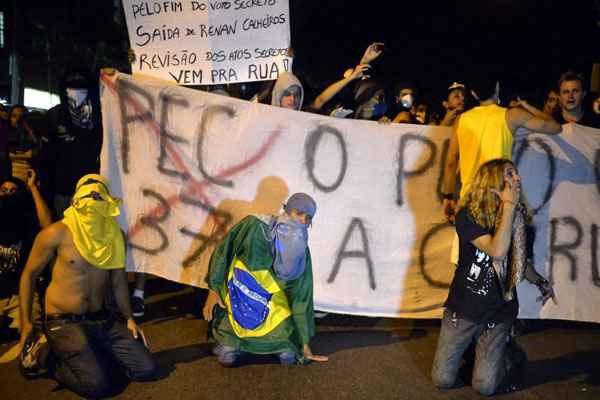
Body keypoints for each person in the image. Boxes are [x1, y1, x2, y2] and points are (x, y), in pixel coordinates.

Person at [18, 174, 157, 398]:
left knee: (146, 369)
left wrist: (129, 318)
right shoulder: (56, 233)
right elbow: (29, 275)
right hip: (63, 321)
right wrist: (26, 323)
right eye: (88, 194)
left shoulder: (115, 236)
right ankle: (46, 356)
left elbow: (119, 281)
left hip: (100, 318)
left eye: (98, 195)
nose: (93, 199)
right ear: (76, 199)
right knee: (98, 386)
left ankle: (92, 355)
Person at [432, 159, 555, 396]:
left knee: (485, 387)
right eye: (510, 174)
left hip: (498, 311)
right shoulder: (468, 216)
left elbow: (521, 265)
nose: (517, 179)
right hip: (463, 309)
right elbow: (497, 250)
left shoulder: (521, 221)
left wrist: (541, 282)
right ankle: (474, 350)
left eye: (517, 174)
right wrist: (508, 207)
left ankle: (507, 354)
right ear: (492, 182)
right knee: (442, 380)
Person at [203, 192, 328, 366]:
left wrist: (305, 345)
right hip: (239, 293)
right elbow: (224, 251)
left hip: (271, 305)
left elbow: (302, 297)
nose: (302, 221)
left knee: (287, 354)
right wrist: (213, 290)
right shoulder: (254, 225)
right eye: (298, 214)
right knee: (228, 347)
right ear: (287, 210)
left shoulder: (301, 254)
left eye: (308, 219)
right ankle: (231, 343)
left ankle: (277, 345)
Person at [442, 79, 562, 223]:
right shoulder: (512, 115)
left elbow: (451, 162)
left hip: (470, 200)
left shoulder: (461, 120)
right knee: (500, 245)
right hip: (500, 200)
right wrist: (527, 106)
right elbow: (555, 127)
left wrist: (447, 197)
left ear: (473, 94)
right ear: (497, 87)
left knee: (470, 245)